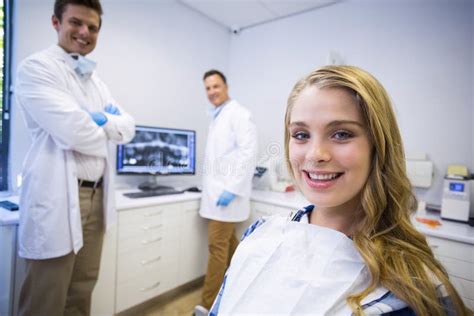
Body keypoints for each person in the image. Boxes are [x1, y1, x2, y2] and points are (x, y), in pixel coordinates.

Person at [209, 65, 470, 315]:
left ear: (378, 145)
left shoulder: (416, 292)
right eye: (300, 135)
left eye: (342, 134)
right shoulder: (260, 235)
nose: (315, 155)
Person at [14, 1, 135, 315]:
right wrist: (106, 127)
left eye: (92, 27)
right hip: (58, 197)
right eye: (76, 23)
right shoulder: (37, 68)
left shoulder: (96, 82)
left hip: (97, 196)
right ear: (56, 22)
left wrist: (99, 121)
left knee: (82, 291)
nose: (84, 33)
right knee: (46, 297)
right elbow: (75, 132)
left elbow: (129, 128)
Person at [194, 70, 258, 315]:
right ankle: (246, 287)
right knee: (233, 249)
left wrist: (231, 189)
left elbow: (247, 153)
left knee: (216, 249)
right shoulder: (218, 116)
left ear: (226, 86)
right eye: (208, 88)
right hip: (216, 196)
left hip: (227, 197)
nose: (212, 92)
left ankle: (207, 304)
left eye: (216, 86)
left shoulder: (239, 114)